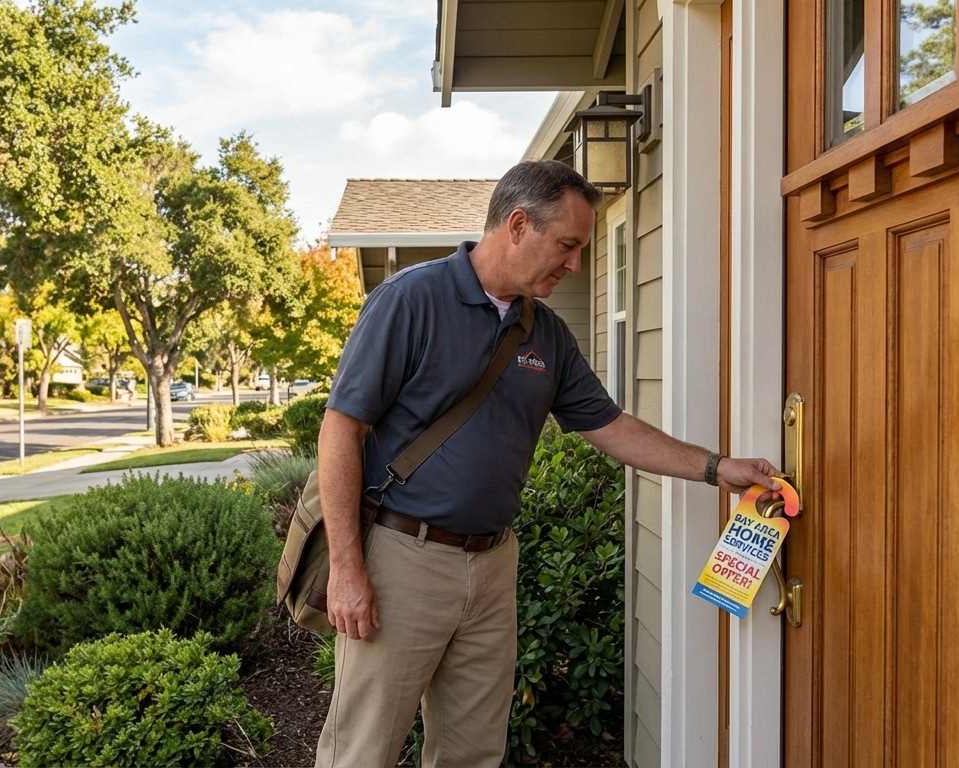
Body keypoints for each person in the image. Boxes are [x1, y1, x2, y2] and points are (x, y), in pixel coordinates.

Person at [315, 159, 782, 768]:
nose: (575, 264)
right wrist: (347, 570)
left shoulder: (548, 334)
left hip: (491, 564)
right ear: (516, 225)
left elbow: (611, 426)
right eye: (567, 245)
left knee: (473, 749)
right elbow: (340, 430)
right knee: (362, 748)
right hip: (402, 556)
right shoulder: (411, 299)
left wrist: (717, 468)